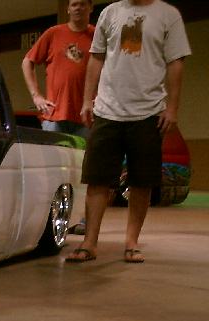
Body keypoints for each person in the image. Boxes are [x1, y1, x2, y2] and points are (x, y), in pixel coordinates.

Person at [66, 0, 190, 263]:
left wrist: (172, 108)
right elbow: (96, 57)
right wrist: (87, 100)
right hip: (107, 110)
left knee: (141, 182)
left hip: (148, 112)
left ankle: (132, 243)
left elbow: (176, 63)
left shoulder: (168, 15)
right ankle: (89, 242)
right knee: (97, 179)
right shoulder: (110, 12)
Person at [22, 0, 95, 138]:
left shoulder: (97, 36)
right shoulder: (53, 33)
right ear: (68, 9)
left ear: (90, 8)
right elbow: (27, 62)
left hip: (86, 117)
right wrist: (36, 96)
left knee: (85, 153)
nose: (78, 8)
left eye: (82, 4)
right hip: (54, 115)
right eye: (74, 4)